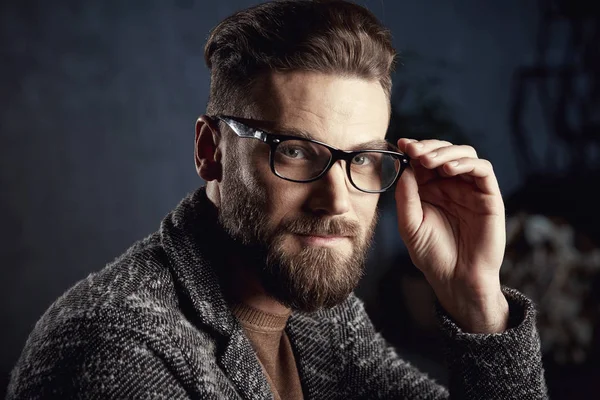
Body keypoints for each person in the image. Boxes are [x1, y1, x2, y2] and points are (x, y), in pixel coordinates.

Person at [7, 1, 548, 399]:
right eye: (294, 152)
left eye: (361, 157)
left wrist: (479, 304)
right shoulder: (120, 350)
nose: (335, 199)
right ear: (210, 151)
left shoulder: (322, 315)